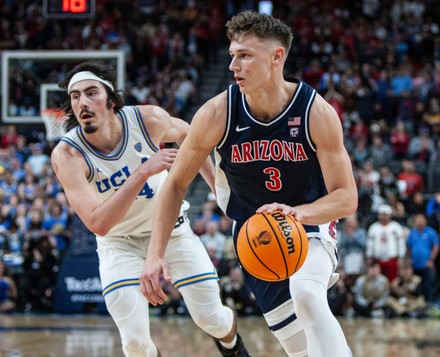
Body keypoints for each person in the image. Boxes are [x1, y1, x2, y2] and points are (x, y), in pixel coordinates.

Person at [141, 11, 358, 357]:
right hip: (254, 233)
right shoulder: (216, 113)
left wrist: (299, 214)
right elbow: (176, 184)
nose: (233, 66)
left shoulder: (316, 112)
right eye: (232, 56)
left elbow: (347, 198)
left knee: (306, 292)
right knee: (299, 349)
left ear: (276, 57)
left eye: (244, 55)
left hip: (309, 220)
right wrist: (155, 255)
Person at [50, 62, 250, 357]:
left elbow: (194, 138)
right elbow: (98, 223)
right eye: (76, 96)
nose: (82, 102)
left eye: (91, 93)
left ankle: (232, 345)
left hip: (172, 230)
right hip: (119, 244)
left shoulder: (148, 120)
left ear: (111, 100)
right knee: (135, 343)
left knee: (213, 320)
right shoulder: (67, 154)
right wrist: (142, 172)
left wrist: (219, 192)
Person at [366, 204, 407, 282]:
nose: (383, 217)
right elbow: (370, 243)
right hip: (377, 260)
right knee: (377, 280)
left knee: (393, 280)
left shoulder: (396, 227)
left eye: (385, 215)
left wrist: (401, 256)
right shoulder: (373, 227)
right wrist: (369, 256)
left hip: (392, 259)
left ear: (390, 215)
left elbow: (401, 243)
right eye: (382, 215)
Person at [405, 213, 439, 305]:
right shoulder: (412, 233)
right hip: (414, 264)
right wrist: (408, 262)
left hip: (426, 264)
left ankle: (429, 304)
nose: (419, 221)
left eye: (421, 219)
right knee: (414, 286)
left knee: (429, 285)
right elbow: (408, 248)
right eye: (417, 219)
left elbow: (436, 246)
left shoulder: (430, 232)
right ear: (415, 222)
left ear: (425, 221)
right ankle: (415, 305)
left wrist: (431, 260)